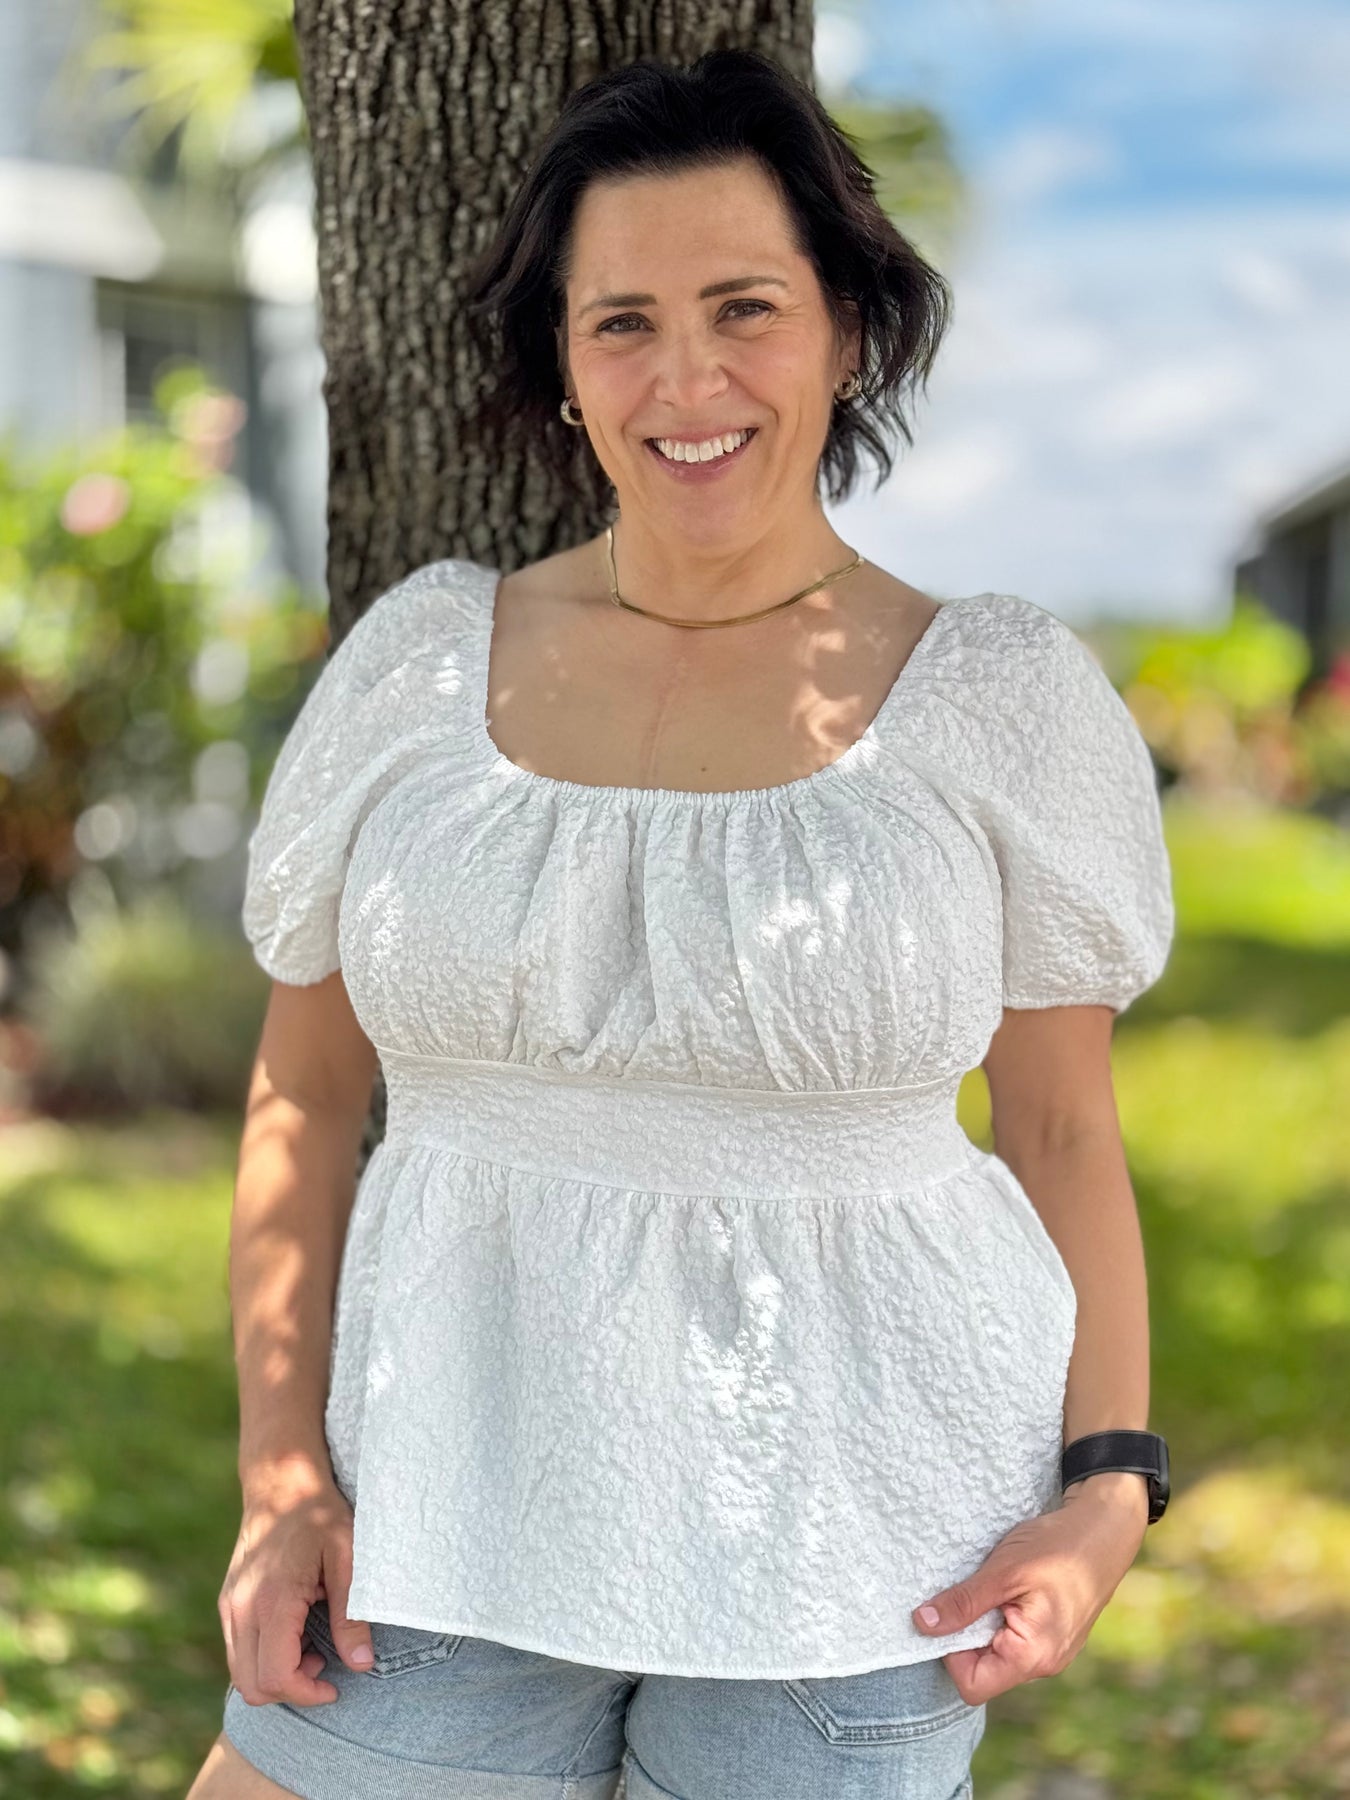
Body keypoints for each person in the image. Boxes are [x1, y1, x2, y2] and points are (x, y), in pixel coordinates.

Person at [188, 46, 1175, 1800]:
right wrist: (282, 1479)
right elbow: (304, 1096)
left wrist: (1108, 1488)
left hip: (861, 1556)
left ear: (848, 330)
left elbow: (1059, 1128)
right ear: (564, 367)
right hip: (431, 1514)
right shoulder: (420, 664)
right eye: (622, 323)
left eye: (745, 309)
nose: (686, 379)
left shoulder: (998, 693)